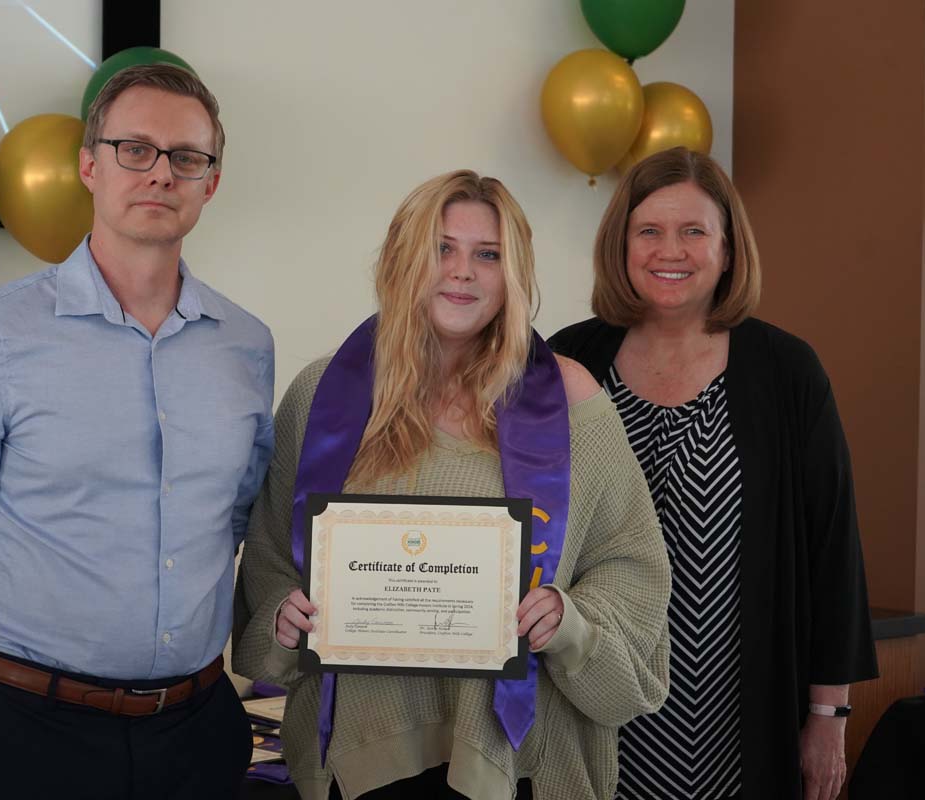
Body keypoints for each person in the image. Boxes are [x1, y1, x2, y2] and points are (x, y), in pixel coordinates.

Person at [0, 64, 273, 799]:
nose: (161, 173)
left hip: (197, 733)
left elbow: (234, 520)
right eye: (136, 149)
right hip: (28, 731)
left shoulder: (246, 346)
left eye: (186, 157)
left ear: (210, 183)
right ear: (89, 166)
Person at [232, 170, 671, 800]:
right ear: (401, 260)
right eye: (442, 248)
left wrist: (568, 619)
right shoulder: (322, 395)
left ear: (512, 274)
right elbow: (272, 551)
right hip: (360, 758)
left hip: (513, 761)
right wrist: (284, 614)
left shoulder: (570, 403)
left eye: (487, 254)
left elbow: (630, 567)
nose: (462, 271)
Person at [548, 147, 878, 800]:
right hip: (590, 706)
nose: (670, 250)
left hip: (737, 721)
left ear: (727, 251)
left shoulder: (788, 372)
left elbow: (832, 550)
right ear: (621, 247)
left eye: (694, 231)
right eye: (649, 231)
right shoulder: (567, 361)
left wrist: (827, 718)